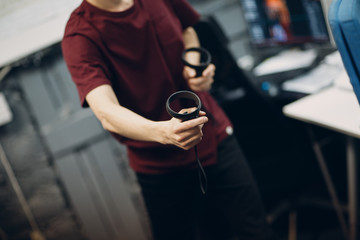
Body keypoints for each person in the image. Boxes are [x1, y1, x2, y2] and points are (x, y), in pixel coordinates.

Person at [61, 0, 277, 239]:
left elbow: (188, 30)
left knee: (257, 232)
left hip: (214, 139)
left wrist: (194, 70)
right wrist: (162, 132)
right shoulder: (79, 36)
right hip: (158, 167)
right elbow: (107, 112)